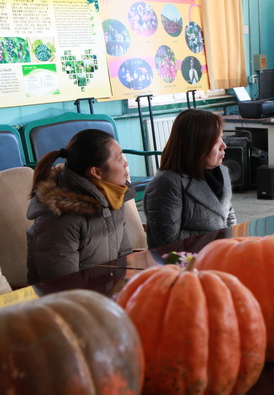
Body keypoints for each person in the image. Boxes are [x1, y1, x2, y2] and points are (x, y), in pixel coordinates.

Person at [26, 129, 134, 284]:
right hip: (69, 297)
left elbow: (124, 257)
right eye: (119, 159)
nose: (126, 163)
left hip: (106, 292)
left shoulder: (112, 198)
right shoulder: (60, 219)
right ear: (96, 172)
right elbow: (63, 285)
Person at [143, 109, 236, 247]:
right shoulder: (167, 183)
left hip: (218, 251)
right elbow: (169, 240)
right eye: (216, 141)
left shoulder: (221, 172)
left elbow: (227, 213)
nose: (224, 145)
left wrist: (232, 240)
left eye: (221, 137)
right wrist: (219, 237)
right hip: (184, 258)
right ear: (196, 145)